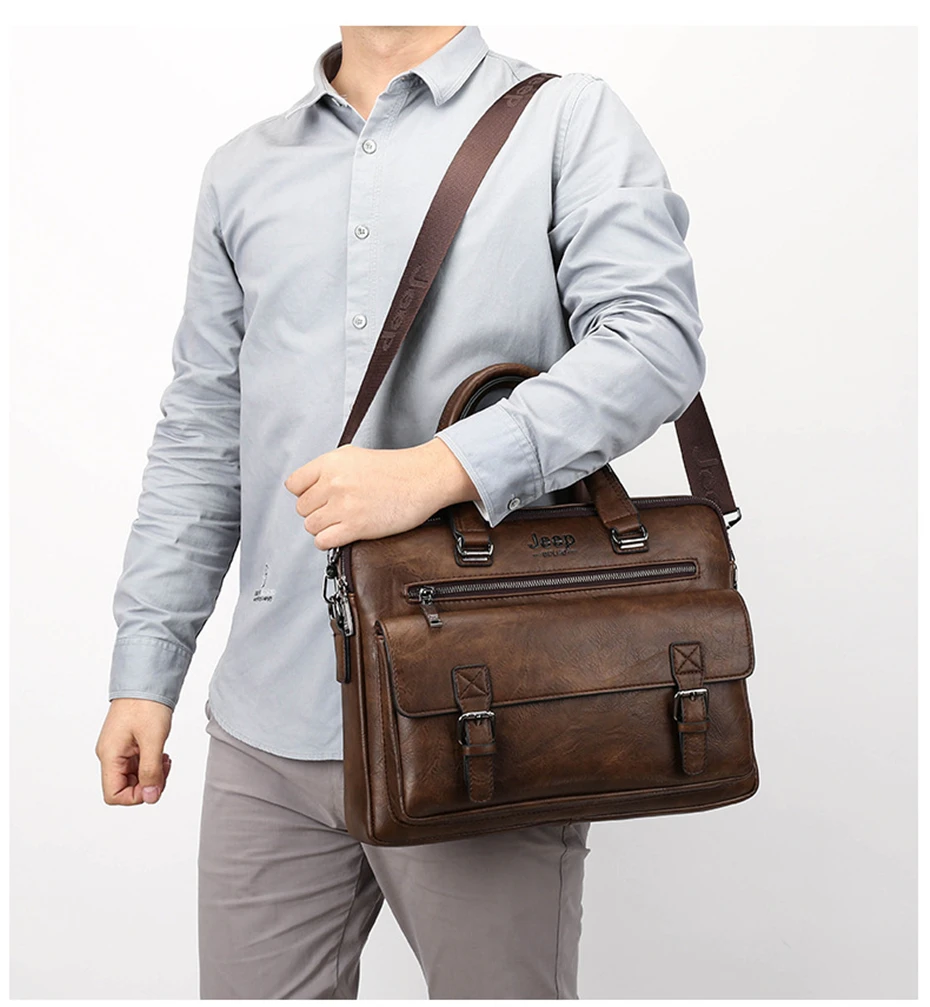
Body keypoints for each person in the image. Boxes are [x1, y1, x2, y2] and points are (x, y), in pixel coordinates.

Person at [95, 25, 705, 1000]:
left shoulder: (566, 120)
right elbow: (205, 429)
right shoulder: (243, 169)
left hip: (483, 704)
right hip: (268, 719)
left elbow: (654, 343)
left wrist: (440, 469)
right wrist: (146, 665)